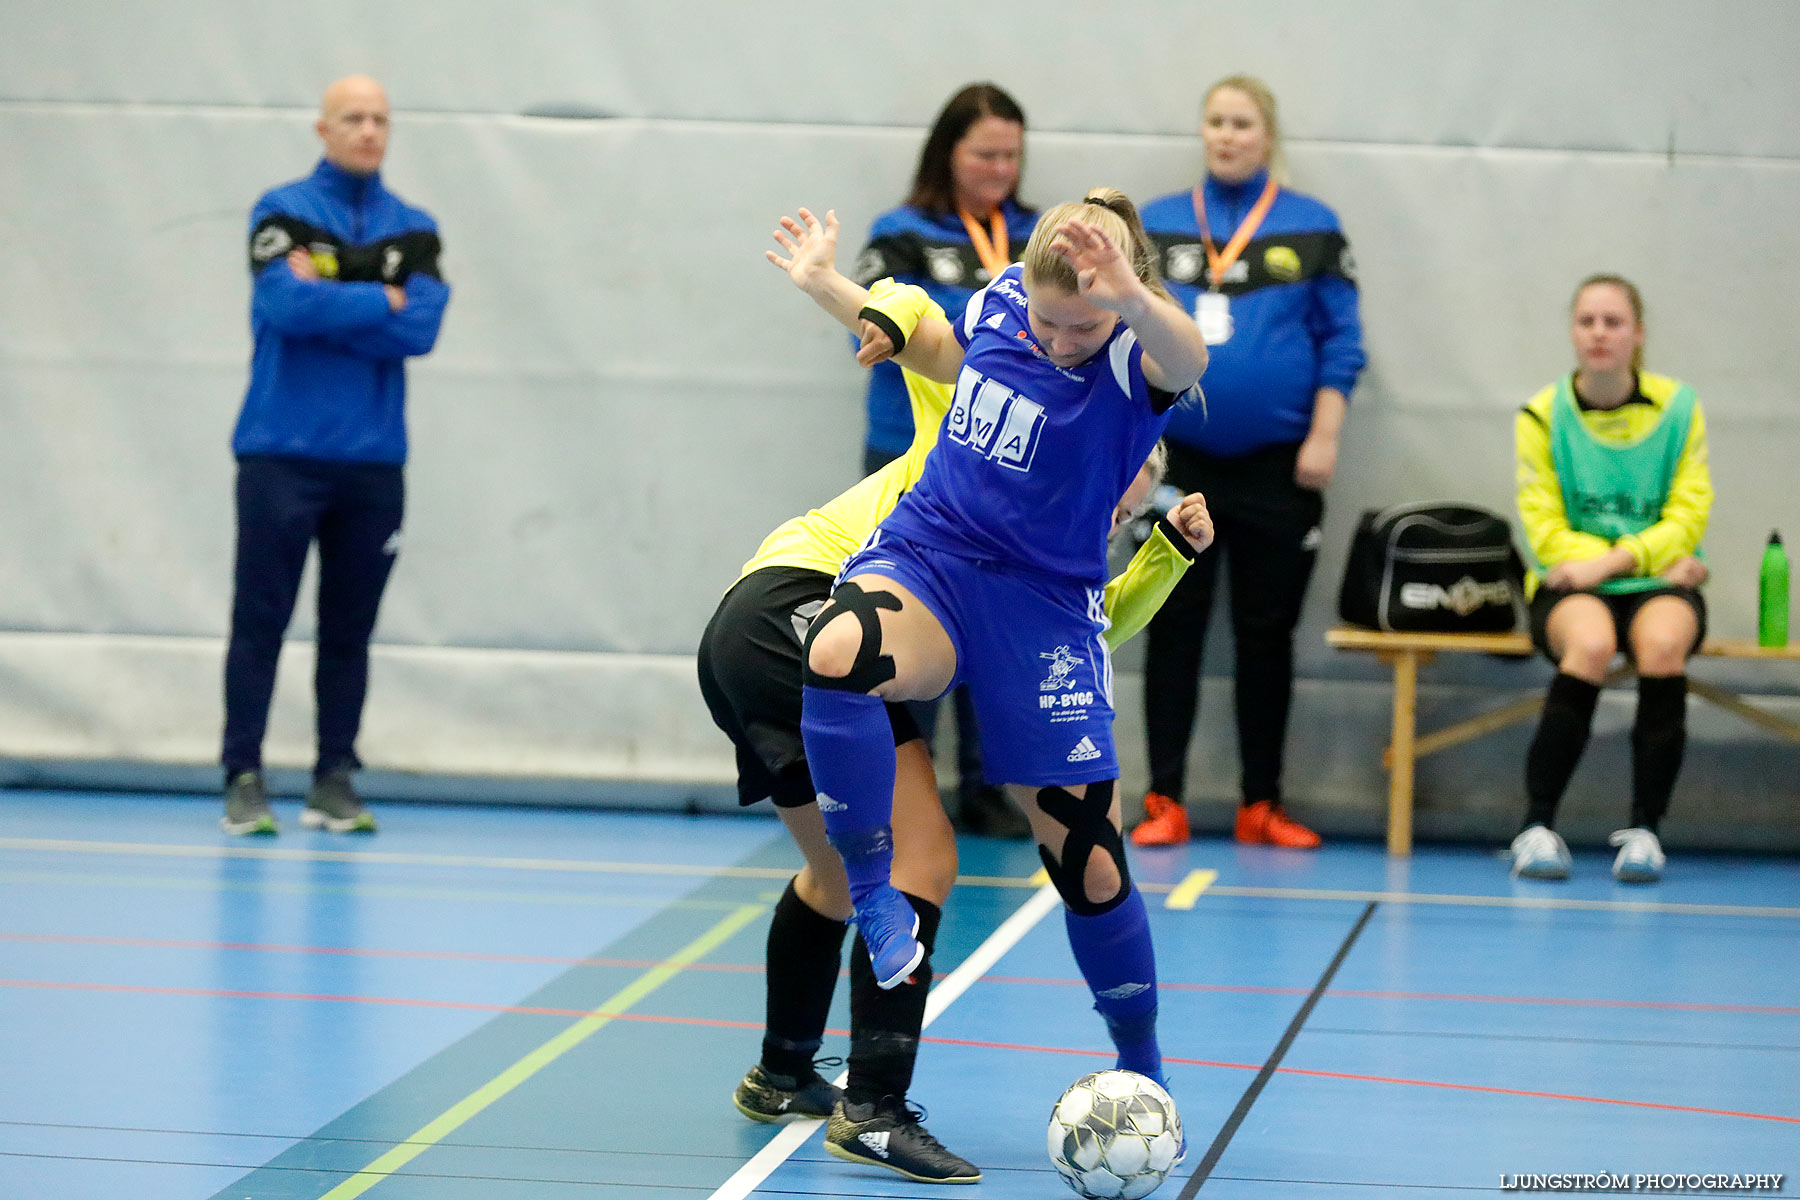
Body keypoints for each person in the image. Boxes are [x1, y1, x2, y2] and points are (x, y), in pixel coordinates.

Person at [703, 275, 1210, 1184]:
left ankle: (782, 1073)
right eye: (1128, 492)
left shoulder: (1062, 526)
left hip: (750, 622)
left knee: (832, 869)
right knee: (921, 857)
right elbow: (920, 321)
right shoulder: (993, 409)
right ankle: (874, 1109)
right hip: (800, 604)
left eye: (1132, 510)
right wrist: (854, 301)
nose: (1122, 505)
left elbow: (1088, 624)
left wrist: (1165, 554)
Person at [1131, 74, 1365, 849]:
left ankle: (1261, 803)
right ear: (1202, 132)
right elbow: (1122, 334)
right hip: (1176, 460)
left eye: (1242, 123)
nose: (1227, 136)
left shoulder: (1314, 227)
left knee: (1267, 637)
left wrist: (1323, 435)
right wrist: (1131, 446)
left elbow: (1343, 342)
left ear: (1267, 136)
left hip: (1278, 468)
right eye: (1215, 122)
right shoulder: (1157, 224)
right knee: (1171, 625)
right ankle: (1164, 798)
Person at [219, 76, 450, 836]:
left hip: (373, 465)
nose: (368, 130)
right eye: (352, 118)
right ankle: (244, 778)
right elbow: (284, 305)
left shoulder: (415, 229)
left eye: (381, 118)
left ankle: (334, 779)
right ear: (322, 128)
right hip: (280, 456)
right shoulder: (281, 212)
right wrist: (376, 298)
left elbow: (418, 329)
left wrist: (335, 297)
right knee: (261, 621)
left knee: (347, 632)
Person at [851, 83, 1041, 838]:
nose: (1000, 168)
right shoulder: (899, 234)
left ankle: (984, 787)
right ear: (948, 152)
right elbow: (869, 331)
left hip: (1002, 461)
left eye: (1012, 155)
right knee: (906, 616)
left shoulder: (1039, 235)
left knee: (986, 623)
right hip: (910, 455)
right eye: (984, 153)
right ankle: (902, 784)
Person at [1508, 275, 1712, 884]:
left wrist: (1614, 563)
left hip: (1647, 580)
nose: (1600, 334)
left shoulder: (1679, 408)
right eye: (1588, 321)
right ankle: (1536, 826)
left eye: (1614, 322)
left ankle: (1646, 831)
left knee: (1663, 644)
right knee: (1591, 645)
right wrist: (1619, 564)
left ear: (1638, 334)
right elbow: (1544, 529)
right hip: (1573, 585)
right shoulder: (1542, 415)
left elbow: (1688, 513)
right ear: (1573, 331)